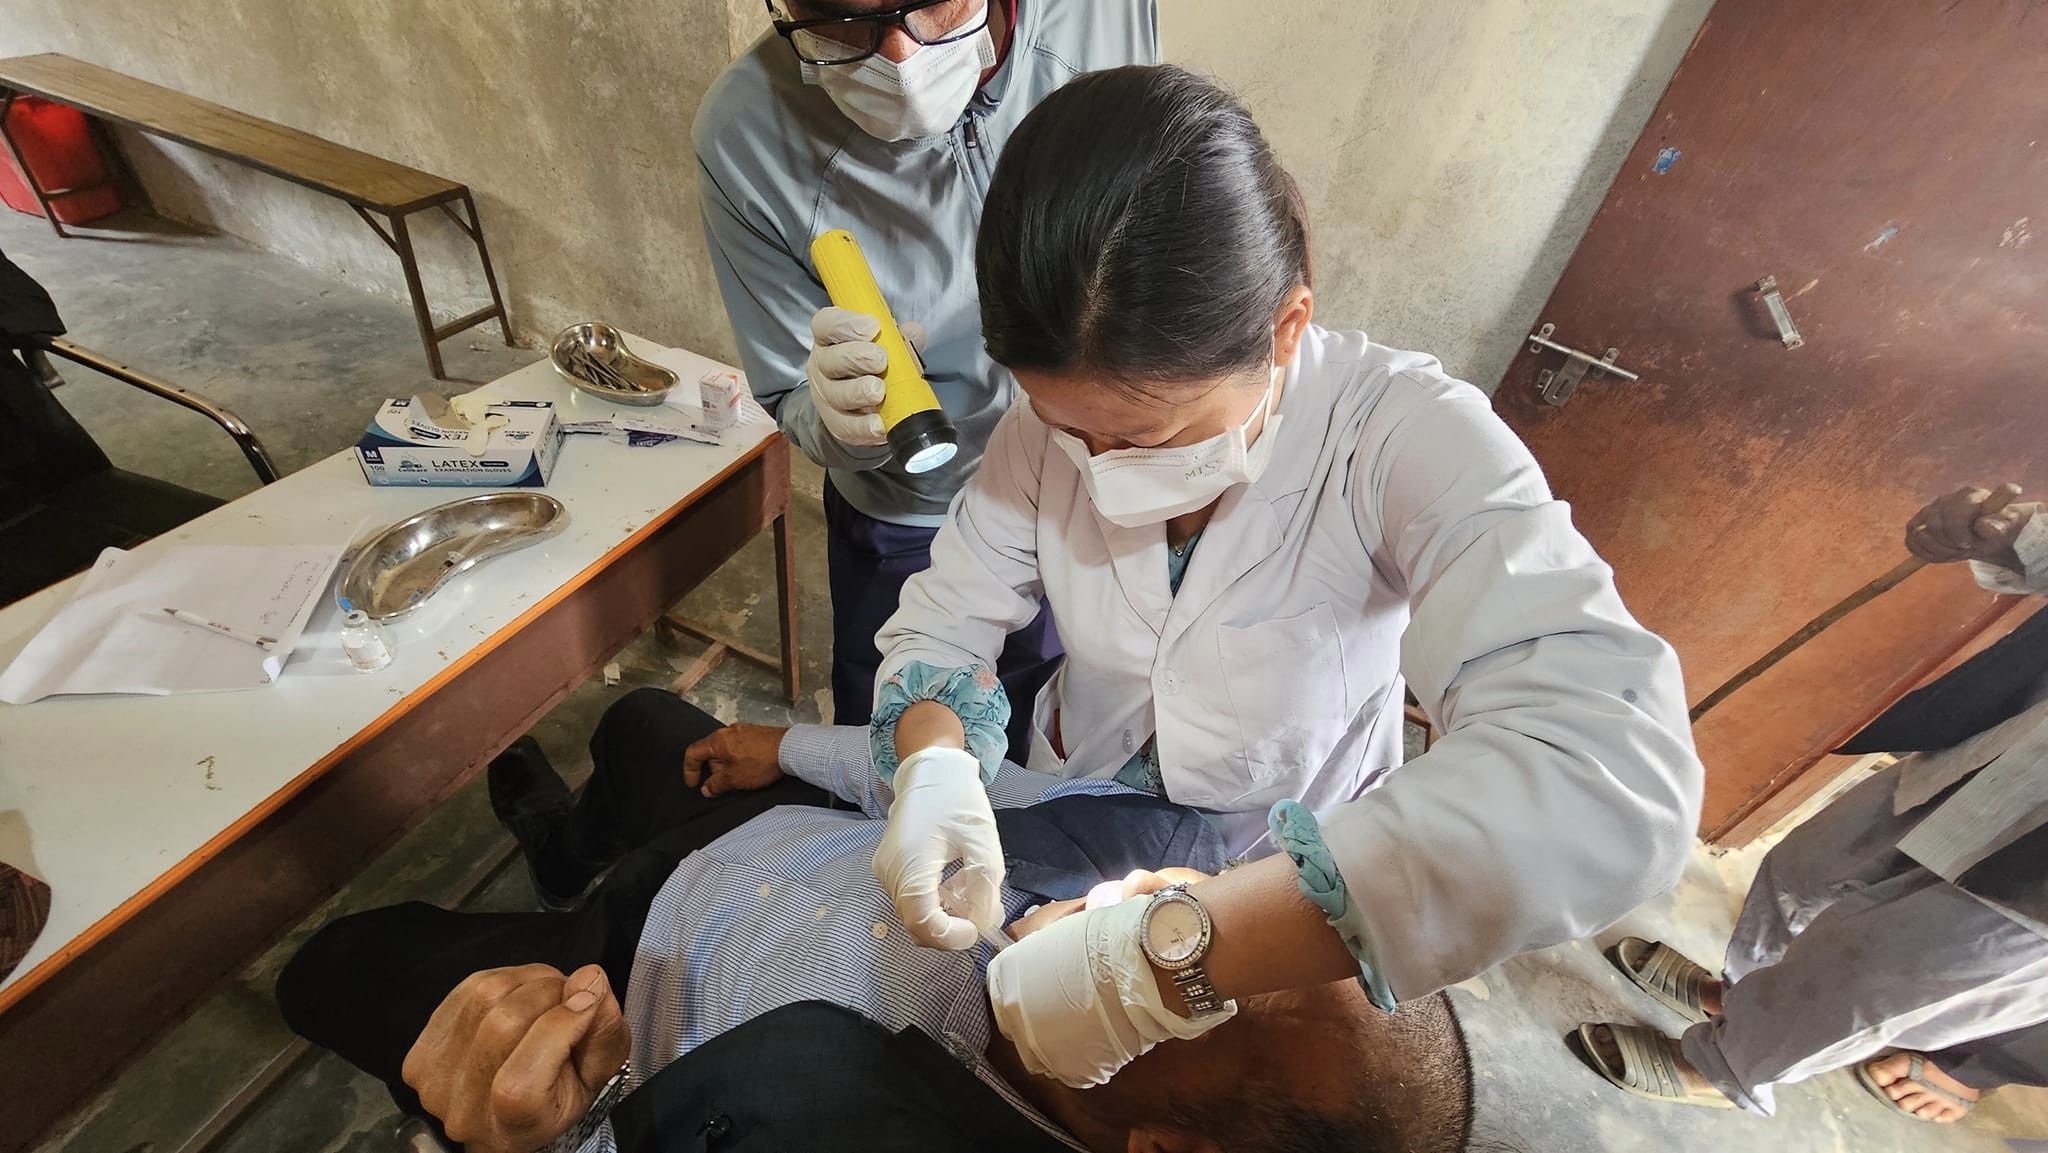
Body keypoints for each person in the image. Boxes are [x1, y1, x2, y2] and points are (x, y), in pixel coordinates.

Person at [847, 62, 1703, 1086]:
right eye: (1069, 428)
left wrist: (1164, 963)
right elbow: (947, 619)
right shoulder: (1045, 434)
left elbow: (1611, 779)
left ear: (1285, 328)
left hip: (1276, 839)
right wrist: (933, 764)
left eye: (1146, 435)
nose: (1100, 469)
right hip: (1087, 771)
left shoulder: (1401, 436)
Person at [275, 689, 1475, 1153]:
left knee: (335, 963)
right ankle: (565, 843)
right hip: (768, 825)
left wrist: (543, 1127)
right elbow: (978, 777)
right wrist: (801, 748)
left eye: (1182, 971)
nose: (1141, 903)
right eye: (1199, 905)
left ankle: (566, 887)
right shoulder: (1148, 858)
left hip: (614, 979)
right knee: (642, 723)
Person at [693, 0, 1157, 751]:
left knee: (1050, 732)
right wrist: (842, 422)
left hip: (1089, 486)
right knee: (894, 737)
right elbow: (790, 392)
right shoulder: (746, 137)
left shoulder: (1101, 17)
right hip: (913, 512)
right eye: (841, 22)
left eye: (932, 3)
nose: (900, 60)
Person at [1578, 482, 2048, 1120]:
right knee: (1806, 867)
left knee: (1879, 971)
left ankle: (1727, 1068)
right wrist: (2017, 536)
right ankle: (1743, 997)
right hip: (2013, 754)